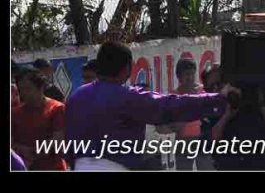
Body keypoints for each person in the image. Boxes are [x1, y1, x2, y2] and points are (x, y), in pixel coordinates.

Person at [65, 41, 239, 170]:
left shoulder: (75, 97)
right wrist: (219, 99)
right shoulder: (128, 97)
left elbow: (67, 146)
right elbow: (170, 106)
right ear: (127, 69)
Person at [11, 67, 67, 170]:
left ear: (40, 87)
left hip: (53, 167)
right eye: (21, 89)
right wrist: (22, 150)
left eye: (28, 88)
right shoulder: (15, 113)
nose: (24, 93)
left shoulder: (56, 108)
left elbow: (59, 139)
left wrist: (35, 152)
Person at [159, 58, 205, 171]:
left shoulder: (202, 92)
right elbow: (166, 122)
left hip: (203, 139)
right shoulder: (174, 96)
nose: (190, 78)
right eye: (186, 74)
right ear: (179, 77)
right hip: (183, 141)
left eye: (192, 74)